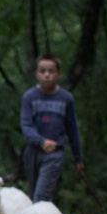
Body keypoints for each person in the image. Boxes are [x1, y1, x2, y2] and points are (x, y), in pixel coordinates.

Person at [18, 55, 85, 202]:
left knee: (42, 196)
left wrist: (77, 157)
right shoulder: (29, 97)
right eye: (42, 71)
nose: (47, 75)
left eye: (51, 71)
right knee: (34, 196)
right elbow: (26, 126)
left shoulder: (65, 98)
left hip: (54, 154)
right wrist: (41, 141)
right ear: (37, 73)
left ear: (58, 74)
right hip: (33, 152)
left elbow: (72, 129)